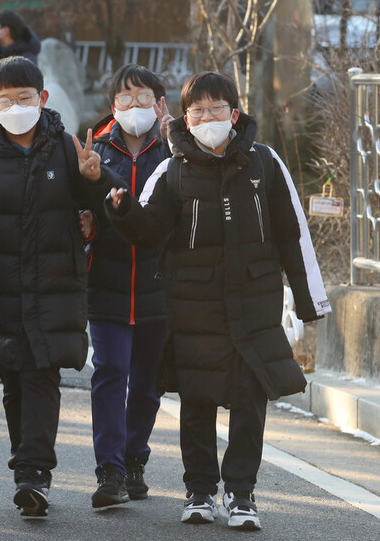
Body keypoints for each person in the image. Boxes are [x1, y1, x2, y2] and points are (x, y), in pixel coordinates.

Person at [104, 71, 331, 530]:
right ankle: (200, 491)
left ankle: (242, 494)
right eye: (197, 110)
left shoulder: (265, 163)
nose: (207, 117)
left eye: (215, 108)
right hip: (193, 308)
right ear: (185, 118)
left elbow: (294, 235)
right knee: (197, 402)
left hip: (254, 305)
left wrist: (311, 305)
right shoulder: (173, 169)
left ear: (234, 112)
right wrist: (122, 208)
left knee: (251, 401)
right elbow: (149, 233)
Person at [0, 55, 120, 518]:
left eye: (24, 97)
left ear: (43, 98)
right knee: (14, 378)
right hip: (3, 290)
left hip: (58, 288)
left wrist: (97, 180)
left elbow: (115, 206)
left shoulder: (68, 150)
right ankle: (27, 468)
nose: (15, 106)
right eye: (5, 99)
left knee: (42, 376)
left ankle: (34, 474)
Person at [84, 64, 173, 508]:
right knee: (110, 372)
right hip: (107, 283)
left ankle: (135, 456)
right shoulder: (96, 155)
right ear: (112, 107)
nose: (134, 107)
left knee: (145, 383)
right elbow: (78, 214)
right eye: (125, 99)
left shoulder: (176, 151)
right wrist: (83, 224)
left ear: (160, 104)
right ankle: (110, 470)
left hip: (160, 286)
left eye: (143, 98)